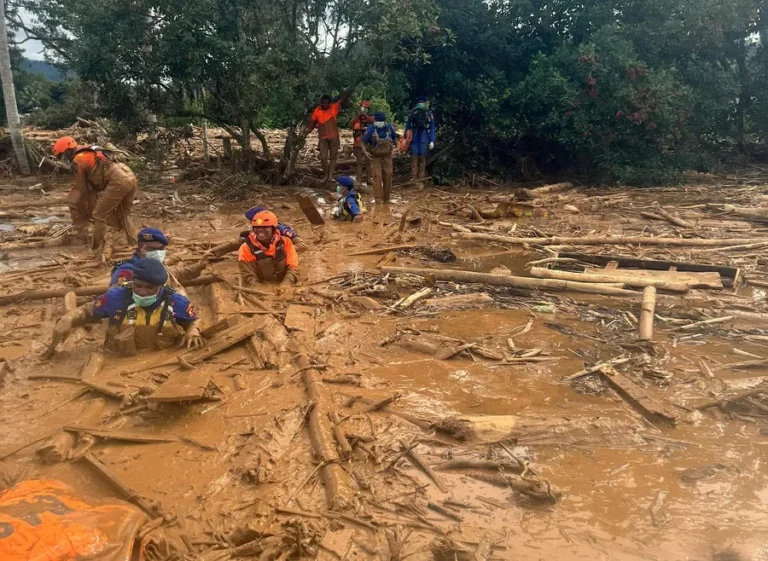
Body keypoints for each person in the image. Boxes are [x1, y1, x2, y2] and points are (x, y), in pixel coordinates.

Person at [48, 258, 204, 356]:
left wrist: (193, 331)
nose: (142, 292)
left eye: (149, 288)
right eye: (138, 286)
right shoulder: (115, 297)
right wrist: (69, 318)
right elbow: (86, 311)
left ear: (161, 287)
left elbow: (194, 320)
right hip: (116, 357)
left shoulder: (176, 302)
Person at [52, 136, 138, 260]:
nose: (64, 160)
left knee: (98, 215)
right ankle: (134, 243)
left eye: (63, 156)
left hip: (118, 181)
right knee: (123, 213)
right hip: (129, 175)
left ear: (67, 151)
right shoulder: (89, 150)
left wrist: (84, 209)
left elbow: (83, 190)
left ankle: (96, 249)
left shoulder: (78, 160)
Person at [111, 227, 208, 288]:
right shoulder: (127, 272)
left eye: (161, 249)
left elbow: (175, 274)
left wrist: (199, 265)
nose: (157, 253)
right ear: (139, 250)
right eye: (151, 249)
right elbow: (115, 298)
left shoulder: (159, 265)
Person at [238, 210, 300, 286]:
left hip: (284, 281)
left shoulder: (286, 242)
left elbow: (293, 267)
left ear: (273, 229)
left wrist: (284, 286)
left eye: (265, 226)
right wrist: (262, 291)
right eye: (256, 227)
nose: (260, 230)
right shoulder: (245, 248)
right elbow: (249, 277)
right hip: (260, 284)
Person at [304, 91, 352, 183]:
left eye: (327, 103)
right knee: (323, 157)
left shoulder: (334, 107)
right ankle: (326, 175)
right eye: (323, 103)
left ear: (330, 103)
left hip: (334, 137)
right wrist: (305, 134)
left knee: (333, 157)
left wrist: (350, 89)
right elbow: (312, 125)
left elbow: (343, 98)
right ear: (321, 103)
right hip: (323, 138)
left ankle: (330, 176)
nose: (325, 105)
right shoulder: (317, 111)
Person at [362, 112, 399, 203]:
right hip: (375, 157)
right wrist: (365, 152)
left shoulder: (389, 127)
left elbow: (395, 138)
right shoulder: (371, 128)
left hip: (387, 156)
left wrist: (397, 147)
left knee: (388, 175)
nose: (380, 122)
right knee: (377, 177)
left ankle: (387, 198)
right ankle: (378, 199)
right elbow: (363, 141)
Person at [404, 95, 436, 180]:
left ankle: (417, 176)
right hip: (421, 137)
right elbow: (432, 127)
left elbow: (408, 126)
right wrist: (432, 140)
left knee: (418, 156)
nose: (421, 103)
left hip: (417, 137)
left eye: (421, 102)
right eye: (420, 102)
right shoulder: (426, 113)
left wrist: (432, 140)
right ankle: (416, 176)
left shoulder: (414, 112)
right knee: (418, 156)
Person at [349, 100, 375, 186]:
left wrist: (365, 116)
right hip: (358, 142)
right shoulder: (356, 118)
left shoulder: (370, 118)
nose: (364, 110)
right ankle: (359, 179)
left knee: (368, 161)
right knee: (359, 161)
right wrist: (357, 117)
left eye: (366, 108)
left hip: (368, 143)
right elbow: (350, 125)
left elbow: (373, 122)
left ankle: (369, 179)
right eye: (363, 108)